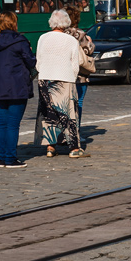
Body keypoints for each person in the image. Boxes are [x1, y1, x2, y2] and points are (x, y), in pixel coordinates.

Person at [35, 9, 87, 158]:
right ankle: (73, 148)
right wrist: (72, 77)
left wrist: (45, 73)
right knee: (69, 113)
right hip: (65, 78)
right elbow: (75, 64)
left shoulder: (42, 38)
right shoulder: (71, 40)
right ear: (66, 23)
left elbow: (38, 62)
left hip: (45, 78)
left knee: (48, 113)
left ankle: (50, 147)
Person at [0, 11, 36, 169]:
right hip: (17, 85)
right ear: (13, 23)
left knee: (2, 123)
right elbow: (30, 61)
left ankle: (2, 157)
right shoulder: (19, 40)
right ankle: (10, 158)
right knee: (13, 124)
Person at [64, 3, 95, 137]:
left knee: (65, 105)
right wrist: (90, 41)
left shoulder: (60, 34)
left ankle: (64, 131)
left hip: (64, 73)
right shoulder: (80, 34)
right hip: (80, 75)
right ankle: (75, 131)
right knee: (78, 103)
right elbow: (89, 50)